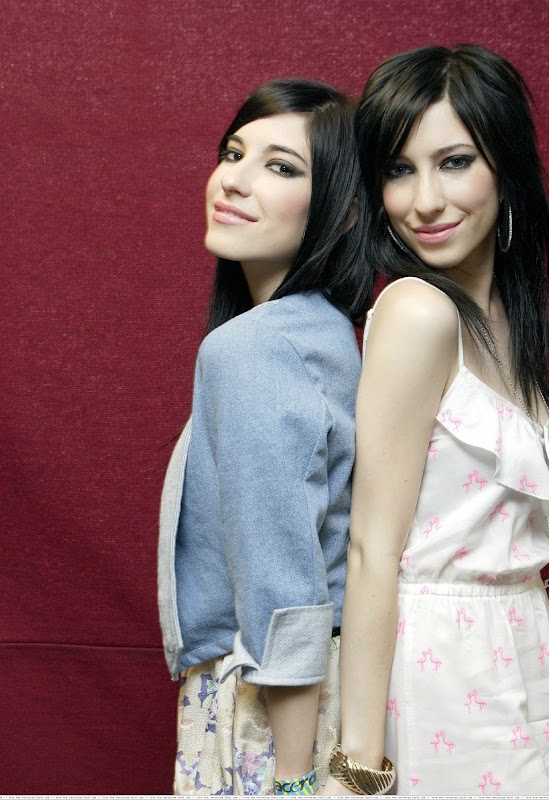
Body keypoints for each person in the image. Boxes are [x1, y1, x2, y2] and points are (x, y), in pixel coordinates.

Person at [322, 45, 549, 796]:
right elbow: (372, 548)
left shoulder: (509, 320)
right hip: (436, 669)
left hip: (520, 664)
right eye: (398, 170)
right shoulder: (416, 312)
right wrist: (358, 765)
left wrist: (537, 678)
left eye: (453, 162)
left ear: (505, 165)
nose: (424, 201)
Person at [157, 78, 372, 795]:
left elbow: (282, 577)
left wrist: (292, 778)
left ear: (343, 209)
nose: (234, 180)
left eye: (280, 167)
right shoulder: (327, 334)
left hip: (270, 708)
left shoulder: (253, 348)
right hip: (333, 689)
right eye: (233, 153)